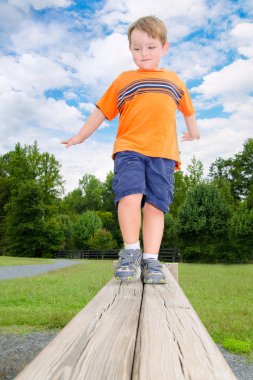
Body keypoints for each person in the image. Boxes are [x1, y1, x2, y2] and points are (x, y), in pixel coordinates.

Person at [61, 15, 200, 284]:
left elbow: (188, 111)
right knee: (129, 196)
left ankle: (150, 259)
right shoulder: (124, 80)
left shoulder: (174, 81)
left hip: (163, 153)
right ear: (130, 50)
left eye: (150, 47)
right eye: (137, 48)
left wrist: (193, 133)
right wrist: (80, 135)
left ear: (164, 48)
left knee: (155, 207)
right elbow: (101, 111)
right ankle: (131, 252)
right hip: (129, 149)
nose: (143, 53)